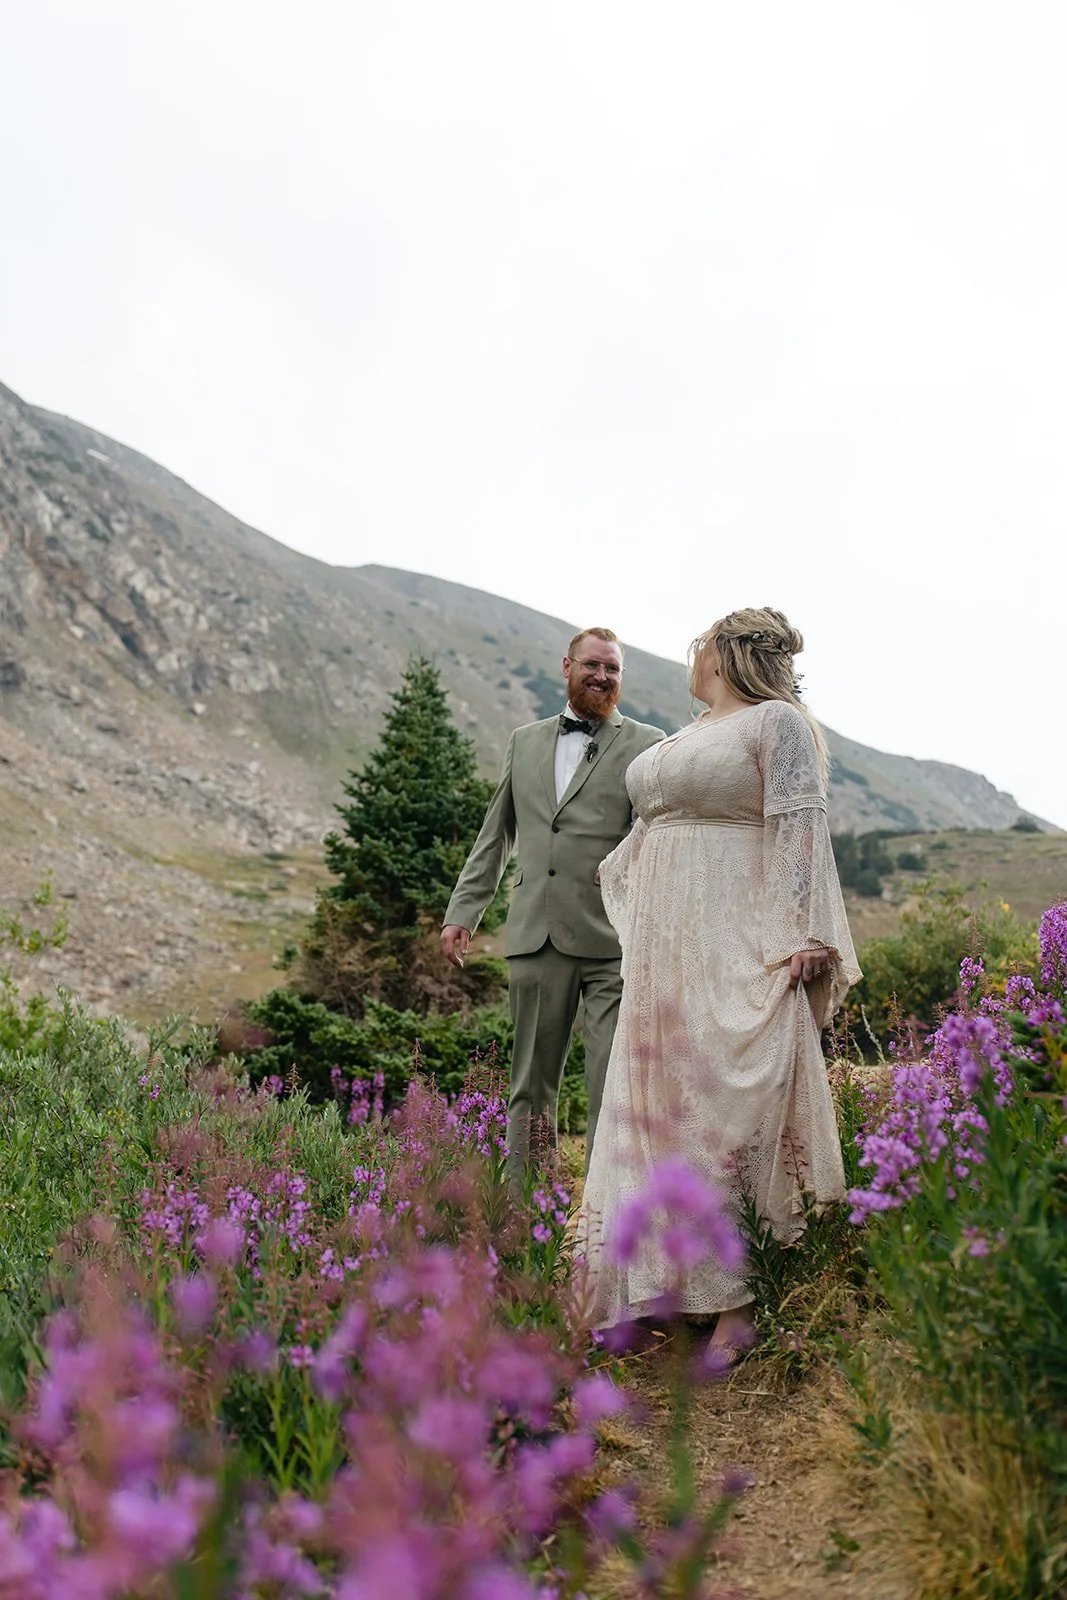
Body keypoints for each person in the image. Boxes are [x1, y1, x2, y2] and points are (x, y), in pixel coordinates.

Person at [579, 607, 861, 1360]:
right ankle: (650, 1286)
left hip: (736, 933)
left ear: (724, 653)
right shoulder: (686, 734)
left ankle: (738, 1299)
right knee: (657, 1106)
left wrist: (803, 934)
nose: (691, 654)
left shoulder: (776, 725)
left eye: (698, 641)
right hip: (665, 946)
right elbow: (653, 827)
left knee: (727, 1103)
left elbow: (799, 826)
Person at [441, 628, 665, 1176]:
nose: (602, 676)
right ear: (566, 666)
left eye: (613, 668)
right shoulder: (526, 741)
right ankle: (527, 1210)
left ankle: (604, 1215)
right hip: (536, 934)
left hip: (615, 939)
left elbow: (658, 841)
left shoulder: (648, 742)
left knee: (615, 1081)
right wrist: (462, 913)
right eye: (592, 665)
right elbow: (496, 835)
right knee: (531, 1085)